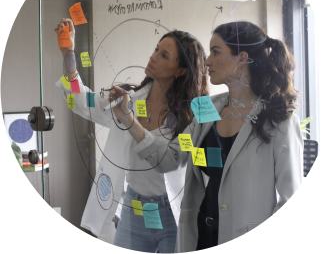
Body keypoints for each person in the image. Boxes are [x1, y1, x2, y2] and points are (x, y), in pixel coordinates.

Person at [112, 21, 304, 251]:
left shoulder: (278, 120)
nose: (207, 61)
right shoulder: (206, 108)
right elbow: (169, 159)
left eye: (215, 52)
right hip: (200, 237)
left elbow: (289, 194)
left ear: (242, 58)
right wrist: (128, 120)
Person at [54, 18, 209, 253]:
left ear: (181, 70)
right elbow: (80, 100)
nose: (153, 56)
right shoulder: (126, 100)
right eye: (157, 49)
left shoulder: (191, 116)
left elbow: (172, 162)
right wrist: (68, 52)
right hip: (134, 210)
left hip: (174, 212)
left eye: (164, 55)